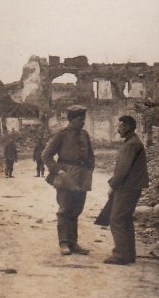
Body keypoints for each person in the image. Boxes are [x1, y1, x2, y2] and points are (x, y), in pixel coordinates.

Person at [42, 105, 95, 256]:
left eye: (83, 118)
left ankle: (74, 243)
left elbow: (91, 155)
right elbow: (46, 155)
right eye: (80, 119)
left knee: (77, 210)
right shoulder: (61, 135)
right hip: (66, 177)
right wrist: (58, 171)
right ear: (72, 119)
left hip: (82, 177)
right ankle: (64, 243)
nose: (83, 122)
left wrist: (90, 169)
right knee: (64, 210)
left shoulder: (85, 135)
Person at [104, 115, 148, 265]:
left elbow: (123, 170)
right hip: (132, 186)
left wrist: (113, 186)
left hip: (127, 187)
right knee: (126, 218)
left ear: (127, 127)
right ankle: (129, 254)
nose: (118, 129)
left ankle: (121, 255)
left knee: (116, 219)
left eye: (120, 126)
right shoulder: (133, 142)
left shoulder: (131, 145)